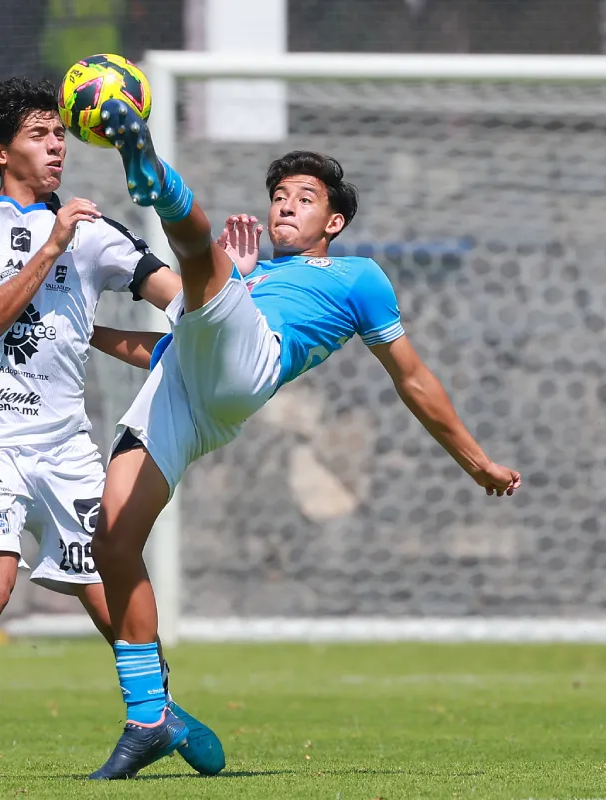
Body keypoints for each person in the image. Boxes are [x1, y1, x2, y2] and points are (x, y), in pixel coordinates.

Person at [84, 98, 523, 779]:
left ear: (334, 221)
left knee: (203, 261)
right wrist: (82, 331)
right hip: (185, 388)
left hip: (247, 367)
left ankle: (152, 179)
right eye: (280, 196)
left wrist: (476, 461)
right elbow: (171, 349)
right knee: (110, 541)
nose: (285, 206)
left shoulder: (356, 278)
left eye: (305, 199)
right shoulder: (254, 270)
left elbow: (412, 377)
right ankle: (150, 715)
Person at [0, 77, 223, 782]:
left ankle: (158, 712)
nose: (58, 145)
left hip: (67, 450)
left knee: (113, 594)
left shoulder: (95, 229)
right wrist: (53, 244)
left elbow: (181, 304)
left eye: (61, 133)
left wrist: (225, 308)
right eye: (38, 134)